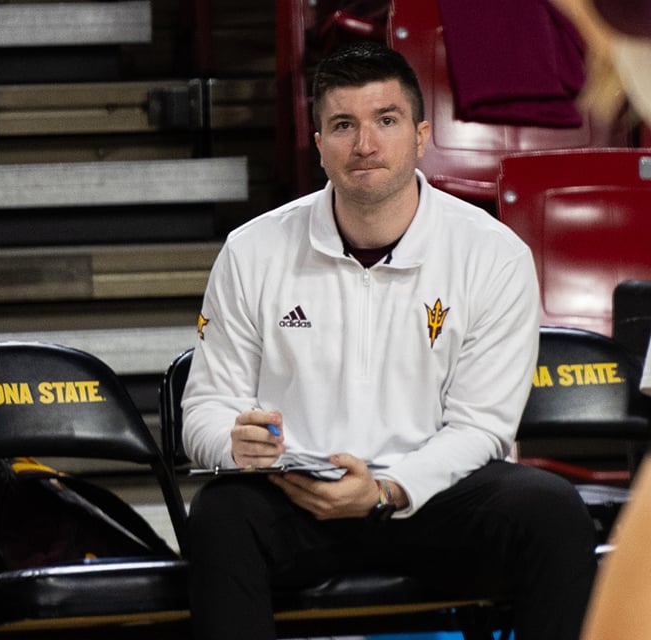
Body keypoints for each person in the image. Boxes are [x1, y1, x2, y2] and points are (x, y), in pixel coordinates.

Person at [181, 42, 597, 640]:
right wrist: (233, 441)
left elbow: (482, 428)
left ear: (422, 134)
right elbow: (204, 409)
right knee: (221, 514)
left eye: (386, 120)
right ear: (318, 141)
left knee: (551, 510)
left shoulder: (494, 253)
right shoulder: (252, 250)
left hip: (432, 500)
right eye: (343, 125)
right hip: (300, 495)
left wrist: (384, 491)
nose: (365, 145)